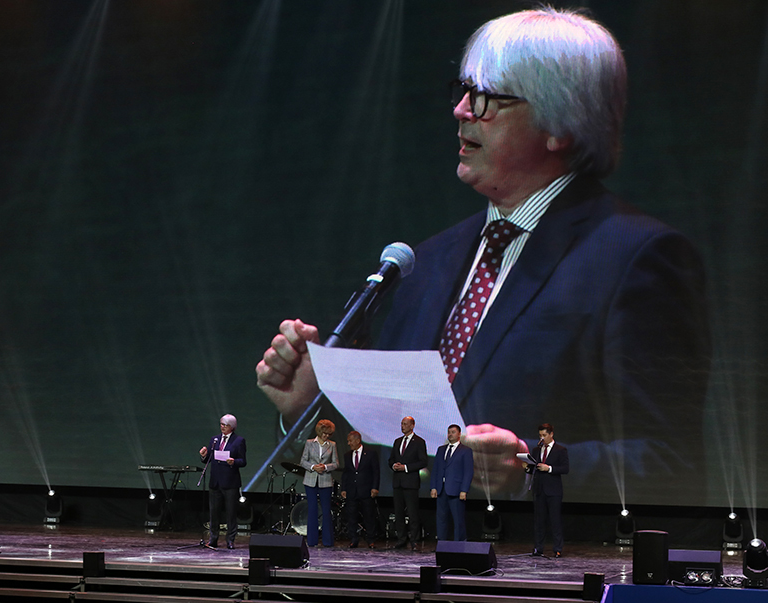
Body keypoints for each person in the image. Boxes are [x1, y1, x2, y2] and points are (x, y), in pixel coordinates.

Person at [255, 7, 710, 505]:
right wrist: (310, 412)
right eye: (464, 91)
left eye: (488, 98)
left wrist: (529, 468)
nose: (461, 110)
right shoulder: (425, 262)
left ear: (560, 124)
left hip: (528, 551)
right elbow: (392, 457)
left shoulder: (635, 256)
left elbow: (675, 464)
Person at [199, 414, 247, 549]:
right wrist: (204, 455)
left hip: (230, 482)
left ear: (232, 427)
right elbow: (209, 458)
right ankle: (213, 539)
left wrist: (234, 461)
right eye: (221, 424)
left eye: (225, 425)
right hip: (215, 482)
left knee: (231, 513)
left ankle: (230, 540)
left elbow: (243, 461)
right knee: (214, 513)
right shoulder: (214, 440)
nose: (223, 427)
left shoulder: (239, 441)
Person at [525, 423, 568, 557]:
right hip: (539, 489)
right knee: (539, 521)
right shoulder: (536, 450)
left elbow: (565, 468)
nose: (542, 438)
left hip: (553, 490)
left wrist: (549, 468)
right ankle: (538, 548)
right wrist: (527, 467)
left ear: (551, 434)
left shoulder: (560, 450)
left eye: (544, 435)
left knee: (555, 520)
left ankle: (558, 548)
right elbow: (534, 469)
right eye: (540, 435)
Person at [387, 416, 428, 549]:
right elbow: (391, 459)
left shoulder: (419, 442)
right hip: (398, 482)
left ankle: (414, 540)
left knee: (412, 513)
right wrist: (394, 465)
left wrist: (405, 467)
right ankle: (401, 538)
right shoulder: (397, 441)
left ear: (412, 425)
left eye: (405, 424)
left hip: (411, 483)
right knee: (398, 513)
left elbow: (423, 462)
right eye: (401, 424)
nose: (402, 426)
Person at [431, 425, 474, 542]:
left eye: (453, 432)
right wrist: (433, 487)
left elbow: (468, 472)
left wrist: (464, 490)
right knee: (441, 518)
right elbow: (435, 469)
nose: (450, 434)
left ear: (459, 434)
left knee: (458, 519)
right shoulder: (441, 449)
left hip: (456, 489)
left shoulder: (465, 450)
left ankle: (459, 543)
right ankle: (441, 542)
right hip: (441, 489)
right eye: (449, 432)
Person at [301, 419, 339, 547]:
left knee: (326, 510)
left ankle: (328, 541)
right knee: (312, 509)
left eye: (328, 434)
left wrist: (325, 467)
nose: (326, 436)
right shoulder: (309, 443)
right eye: (324, 433)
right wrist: (313, 467)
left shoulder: (332, 445)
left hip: (326, 481)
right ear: (319, 431)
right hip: (310, 480)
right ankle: (312, 541)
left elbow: (336, 463)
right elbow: (303, 461)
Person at [341, 431, 379, 548]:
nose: (348, 443)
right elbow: (346, 473)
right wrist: (343, 488)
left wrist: (375, 487)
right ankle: (353, 539)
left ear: (358, 440)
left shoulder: (371, 453)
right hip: (352, 490)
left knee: (369, 516)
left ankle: (371, 539)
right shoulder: (347, 455)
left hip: (366, 490)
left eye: (350, 441)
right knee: (352, 516)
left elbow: (376, 472)